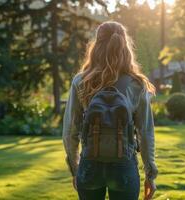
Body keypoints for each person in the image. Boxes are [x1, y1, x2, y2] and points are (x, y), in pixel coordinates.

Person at [62, 21, 158, 200]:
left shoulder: (81, 81)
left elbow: (70, 132)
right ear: (125, 47)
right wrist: (150, 175)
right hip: (124, 167)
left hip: (90, 166)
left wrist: (76, 170)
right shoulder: (136, 84)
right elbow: (145, 133)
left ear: (96, 45)